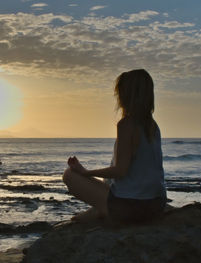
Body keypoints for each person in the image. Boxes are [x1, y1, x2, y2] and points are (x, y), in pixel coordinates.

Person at [63, 69, 166, 224]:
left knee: (69, 175)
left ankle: (102, 212)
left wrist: (85, 172)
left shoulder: (127, 124)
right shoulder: (153, 126)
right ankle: (97, 211)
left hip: (130, 208)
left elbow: (120, 171)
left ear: (126, 95)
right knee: (108, 183)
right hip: (156, 205)